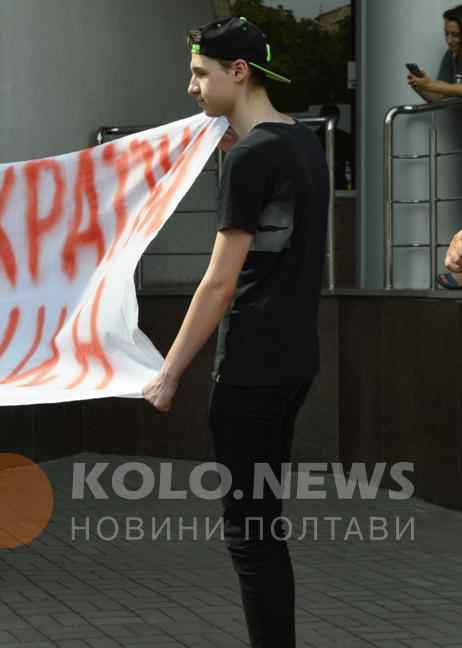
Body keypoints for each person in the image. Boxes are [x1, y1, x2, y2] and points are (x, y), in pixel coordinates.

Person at [143, 18, 328, 647]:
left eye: (201, 73)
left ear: (238, 72)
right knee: (263, 526)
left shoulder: (251, 156)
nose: (192, 87)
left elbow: (219, 283)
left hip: (251, 368)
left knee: (251, 535)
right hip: (295, 360)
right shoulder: (302, 142)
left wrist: (169, 373)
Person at [407, 5, 462, 103]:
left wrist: (431, 85)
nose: (449, 41)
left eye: (455, 35)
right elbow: (439, 97)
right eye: (446, 34)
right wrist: (421, 87)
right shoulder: (451, 54)